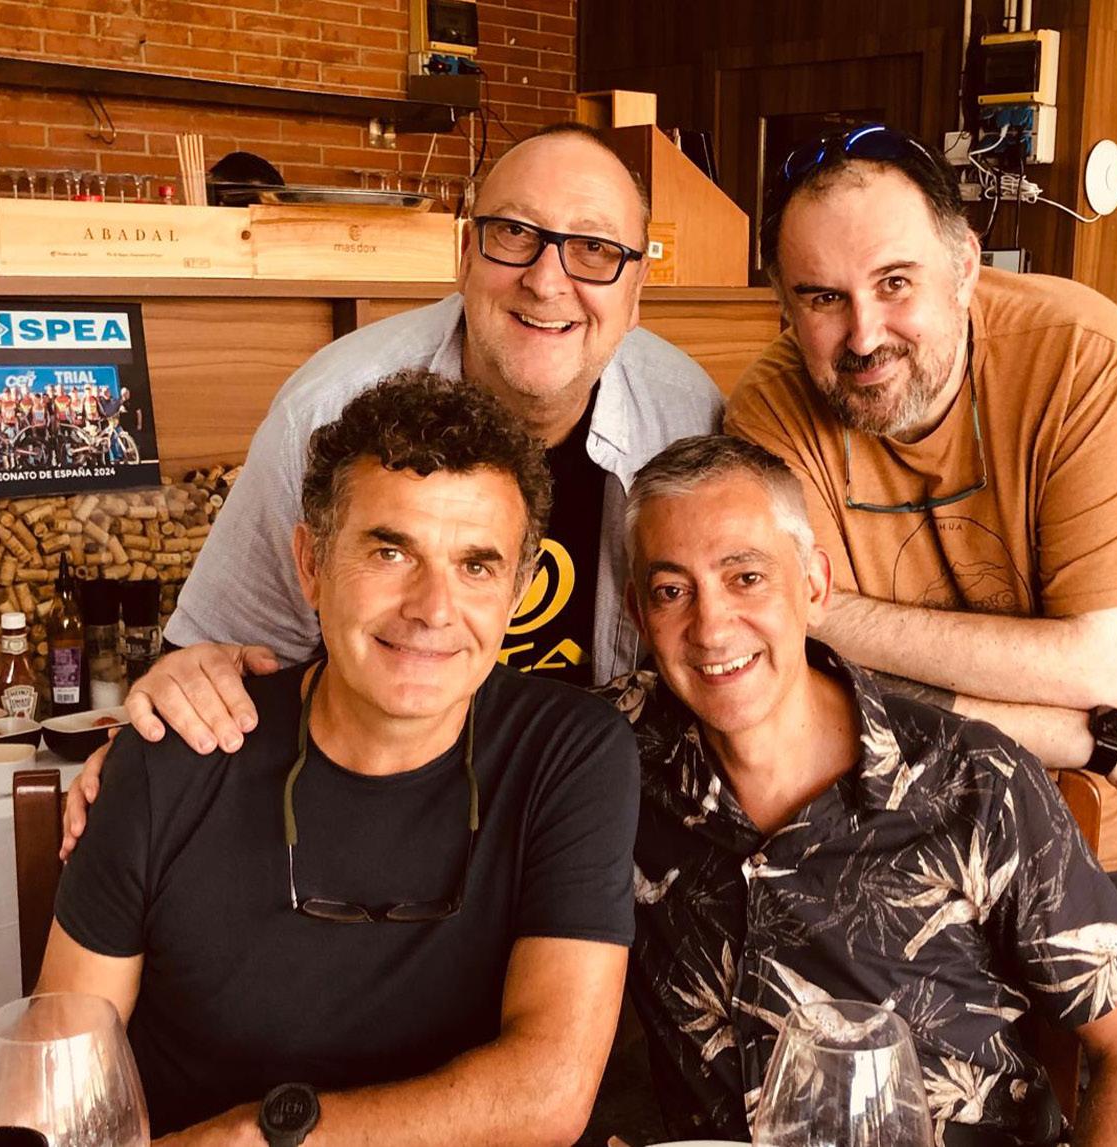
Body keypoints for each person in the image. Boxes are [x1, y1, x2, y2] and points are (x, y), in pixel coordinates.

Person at [0, 372, 639, 1146]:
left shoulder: (570, 753)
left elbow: (545, 1092)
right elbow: (54, 1057)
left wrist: (257, 1136)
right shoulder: (179, 750)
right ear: (310, 563)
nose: (433, 609)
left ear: (518, 589)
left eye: (476, 566)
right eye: (390, 551)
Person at [59, 121, 720, 840]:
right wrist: (152, 759)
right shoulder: (326, 412)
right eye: (512, 233)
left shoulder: (686, 419)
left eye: (594, 249)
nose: (547, 280)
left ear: (637, 288)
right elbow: (216, 659)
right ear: (464, 254)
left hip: (592, 819)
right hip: (365, 823)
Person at [723, 124, 1117, 990]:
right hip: (958, 799)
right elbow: (806, 679)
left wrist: (826, 613)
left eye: (894, 283)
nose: (862, 335)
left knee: (1103, 1057)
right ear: (783, 302)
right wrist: (1096, 741)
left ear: (963, 266)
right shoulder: (768, 414)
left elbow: (1093, 667)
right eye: (823, 297)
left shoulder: (1081, 355)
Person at [609, 435, 1117, 1147]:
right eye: (671, 591)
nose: (711, 627)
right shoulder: (611, 756)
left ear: (814, 585)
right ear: (638, 613)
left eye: (746, 577)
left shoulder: (976, 782)